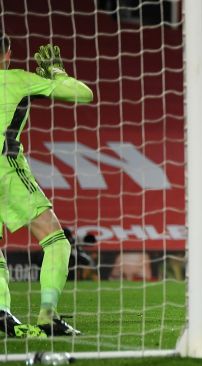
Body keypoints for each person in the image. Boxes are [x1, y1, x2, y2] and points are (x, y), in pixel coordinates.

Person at [0, 34, 93, 337]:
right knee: (56, 240)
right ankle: (47, 316)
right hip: (5, 167)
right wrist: (57, 73)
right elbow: (83, 94)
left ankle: (1, 312)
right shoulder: (18, 79)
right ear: (8, 53)